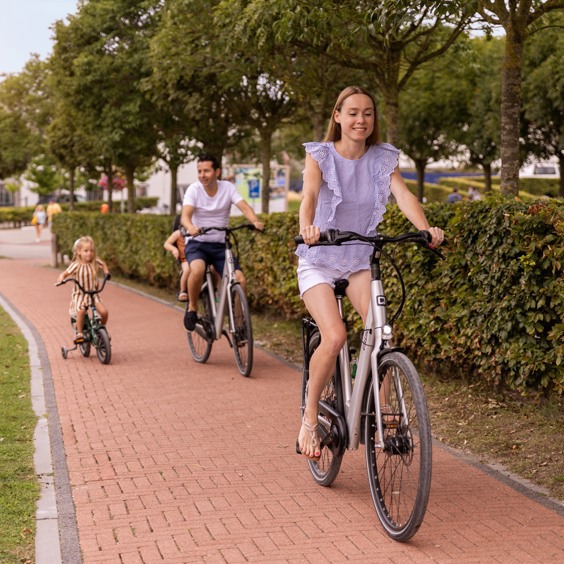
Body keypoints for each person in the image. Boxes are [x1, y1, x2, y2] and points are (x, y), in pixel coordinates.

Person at [296, 86, 444, 460]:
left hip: (361, 258)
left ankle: (384, 416)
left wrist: (426, 229)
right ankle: (310, 417)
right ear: (338, 117)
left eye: (367, 113)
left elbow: (404, 195)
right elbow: (310, 195)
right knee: (334, 336)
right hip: (320, 258)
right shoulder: (320, 155)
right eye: (352, 113)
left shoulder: (383, 157)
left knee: (381, 334)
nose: (360, 120)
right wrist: (308, 227)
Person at [181, 154, 264, 331]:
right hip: (198, 243)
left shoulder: (228, 188)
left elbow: (244, 207)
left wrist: (255, 221)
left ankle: (240, 325)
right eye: (199, 171)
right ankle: (192, 308)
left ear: (217, 172)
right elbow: (185, 216)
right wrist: (191, 227)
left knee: (240, 279)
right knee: (197, 269)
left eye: (206, 171)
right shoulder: (194, 190)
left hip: (220, 245)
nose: (202, 175)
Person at [56, 236, 110, 344]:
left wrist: (106, 273)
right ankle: (79, 333)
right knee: (81, 311)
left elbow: (103, 265)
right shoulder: (76, 265)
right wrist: (61, 279)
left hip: (94, 294)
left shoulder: (94, 262)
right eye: (86, 251)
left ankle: (101, 329)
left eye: (91, 251)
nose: (89, 253)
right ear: (79, 252)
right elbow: (65, 273)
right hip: (80, 294)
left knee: (104, 312)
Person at [163, 215, 190, 302]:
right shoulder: (178, 233)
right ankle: (183, 290)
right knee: (187, 270)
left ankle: (215, 292)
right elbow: (167, 244)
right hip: (185, 259)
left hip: (199, 257)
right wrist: (174, 249)